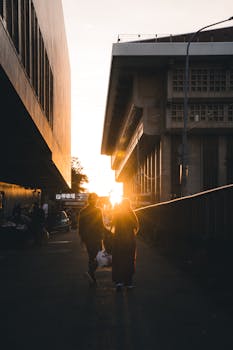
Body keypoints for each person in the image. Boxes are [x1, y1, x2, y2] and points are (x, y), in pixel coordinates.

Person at [111, 198, 139, 291]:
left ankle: (119, 282)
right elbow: (136, 226)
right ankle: (128, 282)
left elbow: (112, 225)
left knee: (118, 261)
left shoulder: (117, 214)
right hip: (130, 241)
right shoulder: (132, 214)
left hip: (118, 241)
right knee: (129, 261)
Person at [78, 193, 105, 286]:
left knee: (92, 257)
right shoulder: (98, 211)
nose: (95, 201)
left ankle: (91, 276)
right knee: (97, 258)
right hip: (96, 238)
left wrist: (82, 238)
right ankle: (91, 273)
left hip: (88, 238)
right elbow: (101, 225)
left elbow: (80, 227)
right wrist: (106, 234)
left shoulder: (83, 211)